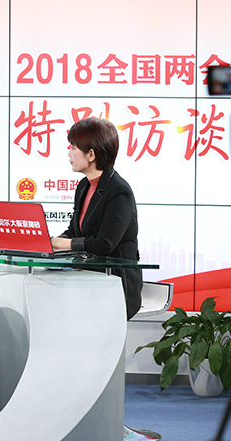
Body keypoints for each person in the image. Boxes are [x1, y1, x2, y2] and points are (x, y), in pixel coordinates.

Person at [50, 116, 142, 319]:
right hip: (87, 279)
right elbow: (74, 231)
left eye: (73, 147)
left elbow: (104, 244)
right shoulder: (84, 186)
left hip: (115, 284)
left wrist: (59, 243)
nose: (69, 153)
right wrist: (49, 243)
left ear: (91, 154)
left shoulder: (119, 191)